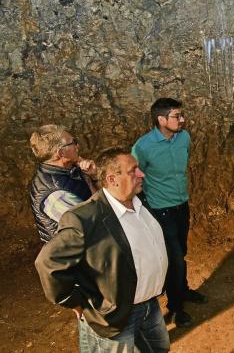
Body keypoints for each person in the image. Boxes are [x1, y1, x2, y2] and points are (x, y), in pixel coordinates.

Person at [35, 147, 170, 352]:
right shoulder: (85, 217)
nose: (142, 174)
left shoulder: (139, 201)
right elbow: (47, 263)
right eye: (133, 170)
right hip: (114, 317)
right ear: (113, 179)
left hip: (150, 306)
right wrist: (75, 301)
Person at [132, 98, 206, 327]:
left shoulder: (184, 137)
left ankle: (182, 290)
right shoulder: (143, 146)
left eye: (181, 115)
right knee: (174, 258)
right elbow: (135, 175)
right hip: (159, 209)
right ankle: (176, 307)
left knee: (181, 252)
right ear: (161, 119)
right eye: (177, 116)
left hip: (181, 204)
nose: (182, 120)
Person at [28, 124, 96, 243]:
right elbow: (94, 225)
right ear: (61, 153)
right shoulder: (56, 195)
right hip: (78, 255)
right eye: (73, 142)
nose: (77, 146)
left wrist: (93, 176)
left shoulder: (70, 169)